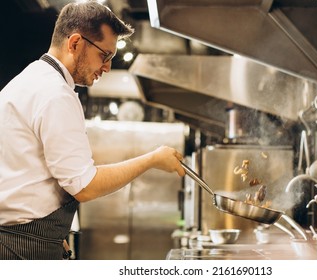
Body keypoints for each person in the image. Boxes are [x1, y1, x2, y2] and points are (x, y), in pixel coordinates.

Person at [0, 1, 185, 260]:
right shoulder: (55, 95)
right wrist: (152, 159)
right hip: (22, 248)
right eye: (105, 55)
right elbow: (84, 186)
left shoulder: (29, 81)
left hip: (22, 239)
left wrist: (53, 237)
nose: (107, 67)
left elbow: (27, 176)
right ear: (75, 43)